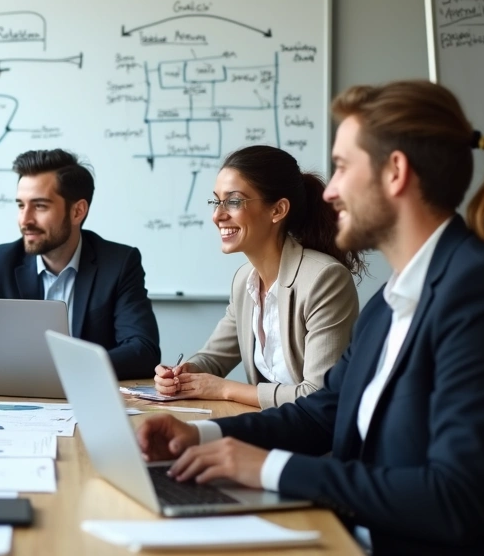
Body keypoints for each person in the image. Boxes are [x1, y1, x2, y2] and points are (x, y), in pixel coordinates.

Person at [136, 80, 484, 554]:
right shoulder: (391, 301)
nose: (329, 192)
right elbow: (324, 412)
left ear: (395, 172)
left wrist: (266, 468)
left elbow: (452, 499)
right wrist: (197, 436)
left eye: (342, 167)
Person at [152, 146, 363, 409]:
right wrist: (181, 374)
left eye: (233, 201)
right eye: (216, 201)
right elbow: (213, 359)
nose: (217, 215)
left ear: (278, 210)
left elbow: (318, 395)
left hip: (316, 443)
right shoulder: (245, 281)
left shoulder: (324, 278)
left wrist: (225, 389)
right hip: (269, 428)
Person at [0, 148, 160, 379]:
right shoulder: (0, 263)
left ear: (77, 211)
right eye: (21, 205)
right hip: (16, 401)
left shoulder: (119, 264)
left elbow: (143, 350)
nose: (25, 220)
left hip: (89, 400)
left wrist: (65, 369)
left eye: (40, 206)